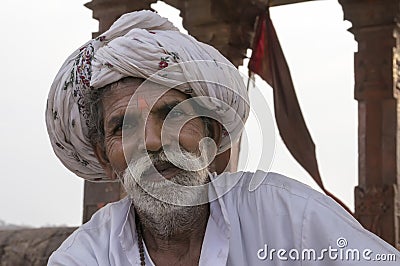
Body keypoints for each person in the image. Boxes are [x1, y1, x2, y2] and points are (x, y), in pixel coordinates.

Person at [46, 10, 399, 265]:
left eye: (171, 114)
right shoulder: (85, 256)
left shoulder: (288, 218)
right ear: (106, 157)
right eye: (123, 127)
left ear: (209, 134)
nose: (153, 142)